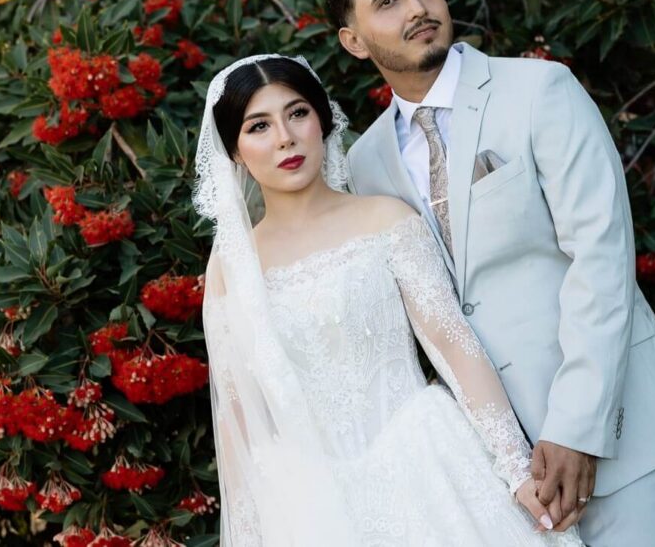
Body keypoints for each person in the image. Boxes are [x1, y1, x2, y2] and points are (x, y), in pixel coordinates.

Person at [325, 0, 655, 545]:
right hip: (490, 466)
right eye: (387, 2)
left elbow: (601, 259)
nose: (417, 8)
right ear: (353, 41)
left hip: (615, 423)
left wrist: (576, 428)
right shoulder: (367, 164)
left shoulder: (540, 90)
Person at [194, 54, 583, 546]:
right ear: (234, 151)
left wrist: (515, 468)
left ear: (321, 121)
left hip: (425, 467)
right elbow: (238, 421)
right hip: (313, 506)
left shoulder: (385, 219)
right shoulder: (231, 269)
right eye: (259, 126)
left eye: (297, 113)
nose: (285, 138)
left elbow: (453, 344)